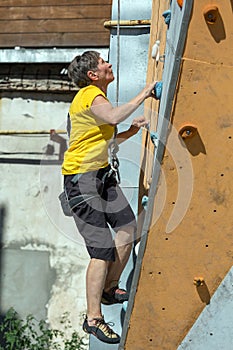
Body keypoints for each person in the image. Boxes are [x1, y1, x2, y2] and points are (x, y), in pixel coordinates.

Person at [61, 51, 156, 344]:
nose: (109, 64)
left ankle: (110, 287)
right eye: (104, 63)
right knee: (101, 250)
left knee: (128, 227)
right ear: (92, 75)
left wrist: (129, 132)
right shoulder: (90, 95)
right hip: (82, 182)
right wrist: (145, 92)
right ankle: (93, 318)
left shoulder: (94, 97)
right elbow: (113, 116)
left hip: (101, 177)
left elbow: (106, 137)